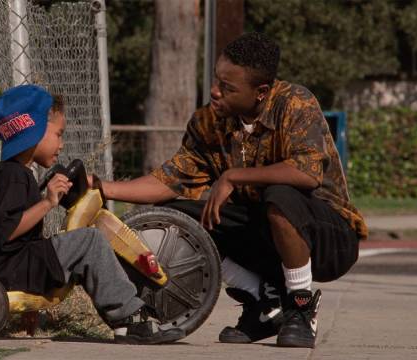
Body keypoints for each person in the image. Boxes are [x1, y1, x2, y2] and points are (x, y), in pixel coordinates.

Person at [94, 33, 366, 348]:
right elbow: (169, 181)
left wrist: (234, 177)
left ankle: (300, 309)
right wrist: (102, 188)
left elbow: (306, 173)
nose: (215, 91)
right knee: (178, 216)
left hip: (329, 239)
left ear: (261, 92)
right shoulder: (208, 122)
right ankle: (264, 301)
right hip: (265, 233)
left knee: (279, 195)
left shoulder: (295, 103)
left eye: (228, 87)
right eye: (216, 80)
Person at [0, 84, 185, 345]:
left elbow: (12, 240)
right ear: (33, 131)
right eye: (58, 134)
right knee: (90, 241)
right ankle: (129, 319)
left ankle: (127, 317)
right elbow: (9, 231)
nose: (61, 144)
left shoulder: (12, 173)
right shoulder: (13, 176)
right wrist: (49, 202)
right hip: (10, 268)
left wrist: (30, 305)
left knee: (81, 243)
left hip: (12, 266)